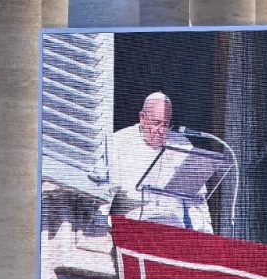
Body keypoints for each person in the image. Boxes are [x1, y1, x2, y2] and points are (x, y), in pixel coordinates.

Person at [89, 92, 213, 233]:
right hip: (131, 230)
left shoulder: (182, 145)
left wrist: (205, 237)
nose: (160, 130)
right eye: (156, 123)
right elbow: (104, 196)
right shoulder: (118, 142)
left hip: (174, 232)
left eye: (165, 124)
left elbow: (197, 201)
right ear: (142, 118)